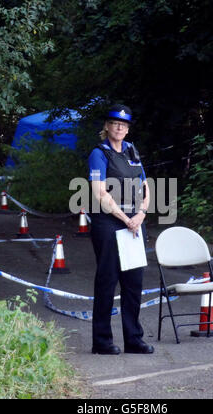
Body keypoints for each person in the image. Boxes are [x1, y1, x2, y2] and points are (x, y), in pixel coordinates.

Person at [88, 104, 154, 355]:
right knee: (107, 280)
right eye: (115, 123)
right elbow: (99, 192)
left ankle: (133, 339)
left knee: (133, 282)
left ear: (127, 129)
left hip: (134, 221)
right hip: (109, 222)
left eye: (124, 125)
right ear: (107, 126)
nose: (119, 127)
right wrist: (124, 218)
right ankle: (102, 341)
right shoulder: (99, 153)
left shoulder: (132, 151)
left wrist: (140, 214)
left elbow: (146, 188)